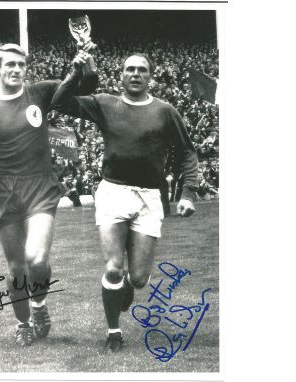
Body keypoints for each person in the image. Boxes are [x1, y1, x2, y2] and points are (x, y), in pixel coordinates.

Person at [0, 43, 97, 347]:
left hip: (40, 187)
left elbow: (83, 87)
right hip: (5, 192)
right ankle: (23, 322)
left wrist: (84, 64)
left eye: (20, 65)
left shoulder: (40, 93)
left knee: (37, 258)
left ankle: (39, 306)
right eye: (9, 64)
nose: (16, 70)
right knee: (16, 267)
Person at [52, 52, 198, 352]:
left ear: (150, 77)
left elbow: (187, 152)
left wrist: (188, 193)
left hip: (149, 196)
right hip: (113, 192)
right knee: (114, 267)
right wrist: (76, 72)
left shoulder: (165, 111)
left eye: (141, 70)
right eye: (129, 69)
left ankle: (127, 287)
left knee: (141, 278)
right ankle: (113, 331)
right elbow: (60, 102)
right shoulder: (105, 103)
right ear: (121, 75)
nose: (135, 74)